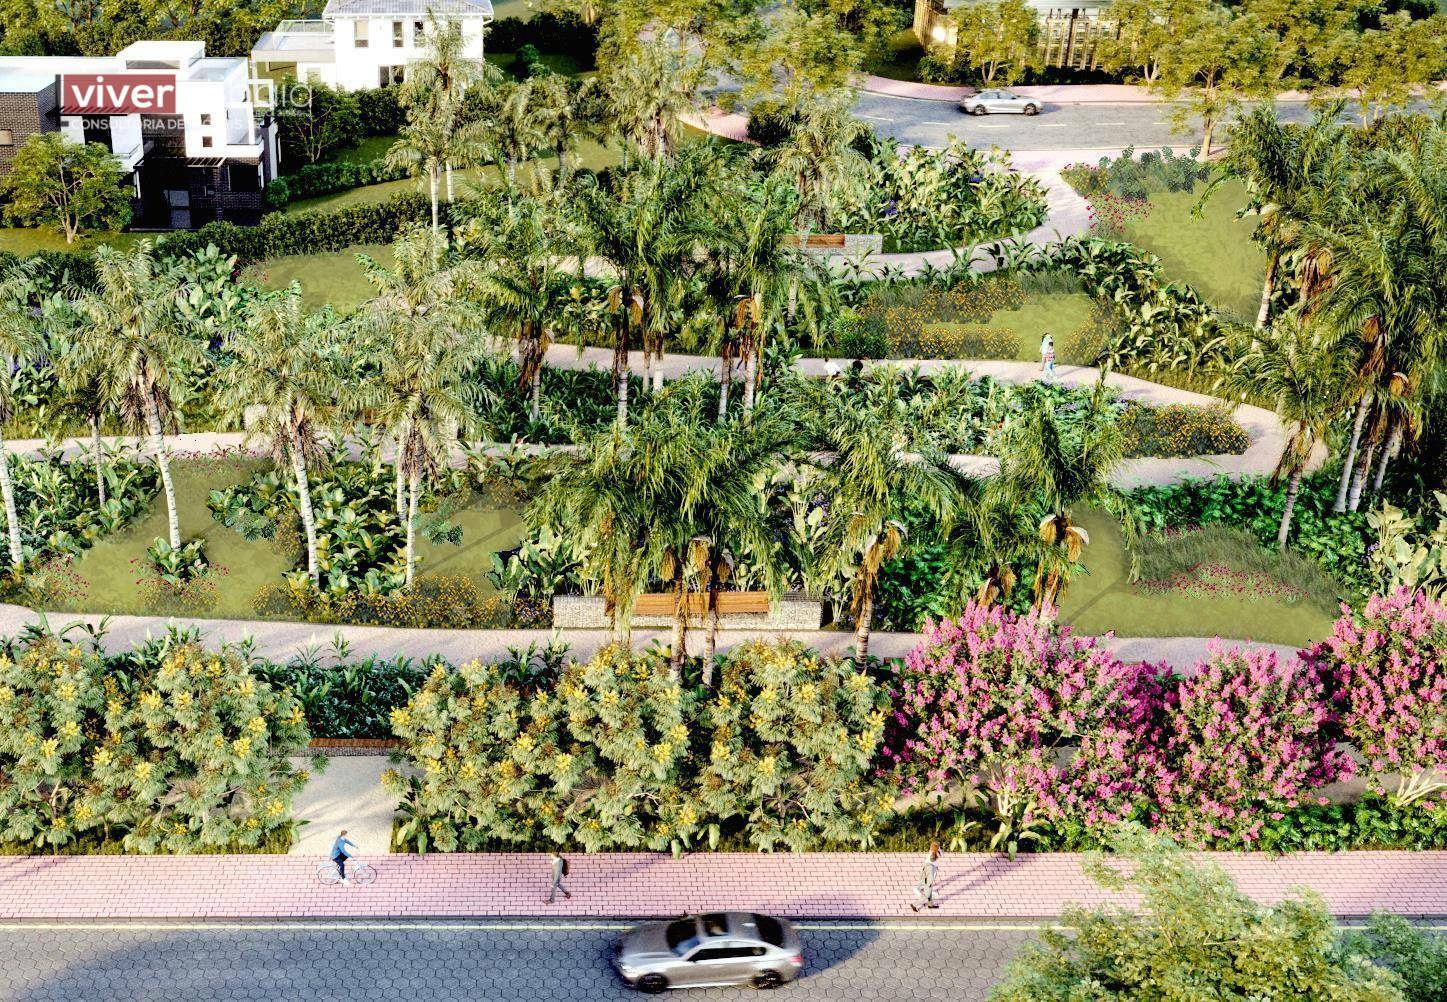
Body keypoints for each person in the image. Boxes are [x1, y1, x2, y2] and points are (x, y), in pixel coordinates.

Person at [911, 842, 942, 911]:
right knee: (927, 893)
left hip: (926, 869)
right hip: (929, 871)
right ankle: (914, 904)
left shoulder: (932, 853)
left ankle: (930, 904)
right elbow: (934, 858)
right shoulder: (934, 855)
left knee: (929, 889)